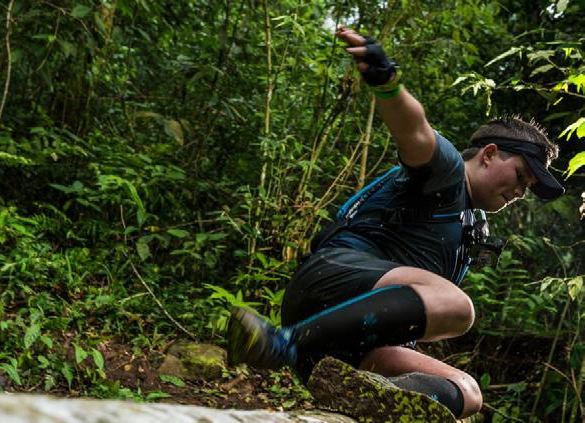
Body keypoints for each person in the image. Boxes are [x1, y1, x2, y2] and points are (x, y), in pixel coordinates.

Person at [226, 26, 564, 419]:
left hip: (346, 345)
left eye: (529, 187)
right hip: (330, 285)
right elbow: (415, 132)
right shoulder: (448, 173)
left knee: (468, 392)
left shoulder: (469, 223)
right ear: (489, 154)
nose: (521, 191)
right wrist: (386, 83)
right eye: (521, 176)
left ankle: (374, 396)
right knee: (458, 307)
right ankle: (279, 342)